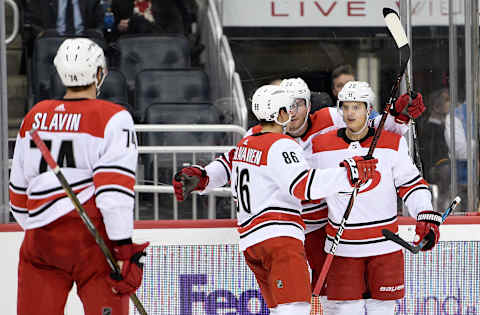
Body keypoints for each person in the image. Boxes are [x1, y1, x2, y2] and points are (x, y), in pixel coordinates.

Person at [172, 77, 426, 297]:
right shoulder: (262, 134)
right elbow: (233, 161)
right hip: (285, 231)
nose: (292, 112)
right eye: (287, 105)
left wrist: (396, 117)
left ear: (308, 104)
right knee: (293, 298)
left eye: (299, 104)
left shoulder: (329, 118)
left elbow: (367, 129)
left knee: (326, 295)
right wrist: (205, 177)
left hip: (320, 229)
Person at [9, 38, 148, 315]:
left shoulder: (34, 116)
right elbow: (114, 194)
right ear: (99, 73)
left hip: (41, 241)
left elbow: (18, 196)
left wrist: (42, 225)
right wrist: (122, 249)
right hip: (93, 242)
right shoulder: (114, 118)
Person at [230, 84, 378, 314]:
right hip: (279, 240)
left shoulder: (244, 145)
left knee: (281, 309)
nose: (291, 113)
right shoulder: (281, 144)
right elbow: (303, 186)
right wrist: (349, 174)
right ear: (279, 114)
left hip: (251, 242)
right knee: (295, 308)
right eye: (287, 109)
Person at [310, 81, 441, 315]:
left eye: (356, 107)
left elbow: (410, 184)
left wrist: (425, 214)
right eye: (345, 107)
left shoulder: (391, 143)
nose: (349, 113)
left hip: (385, 246)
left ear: (369, 109)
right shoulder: (320, 146)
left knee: (383, 310)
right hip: (342, 248)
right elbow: (301, 183)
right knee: (345, 311)